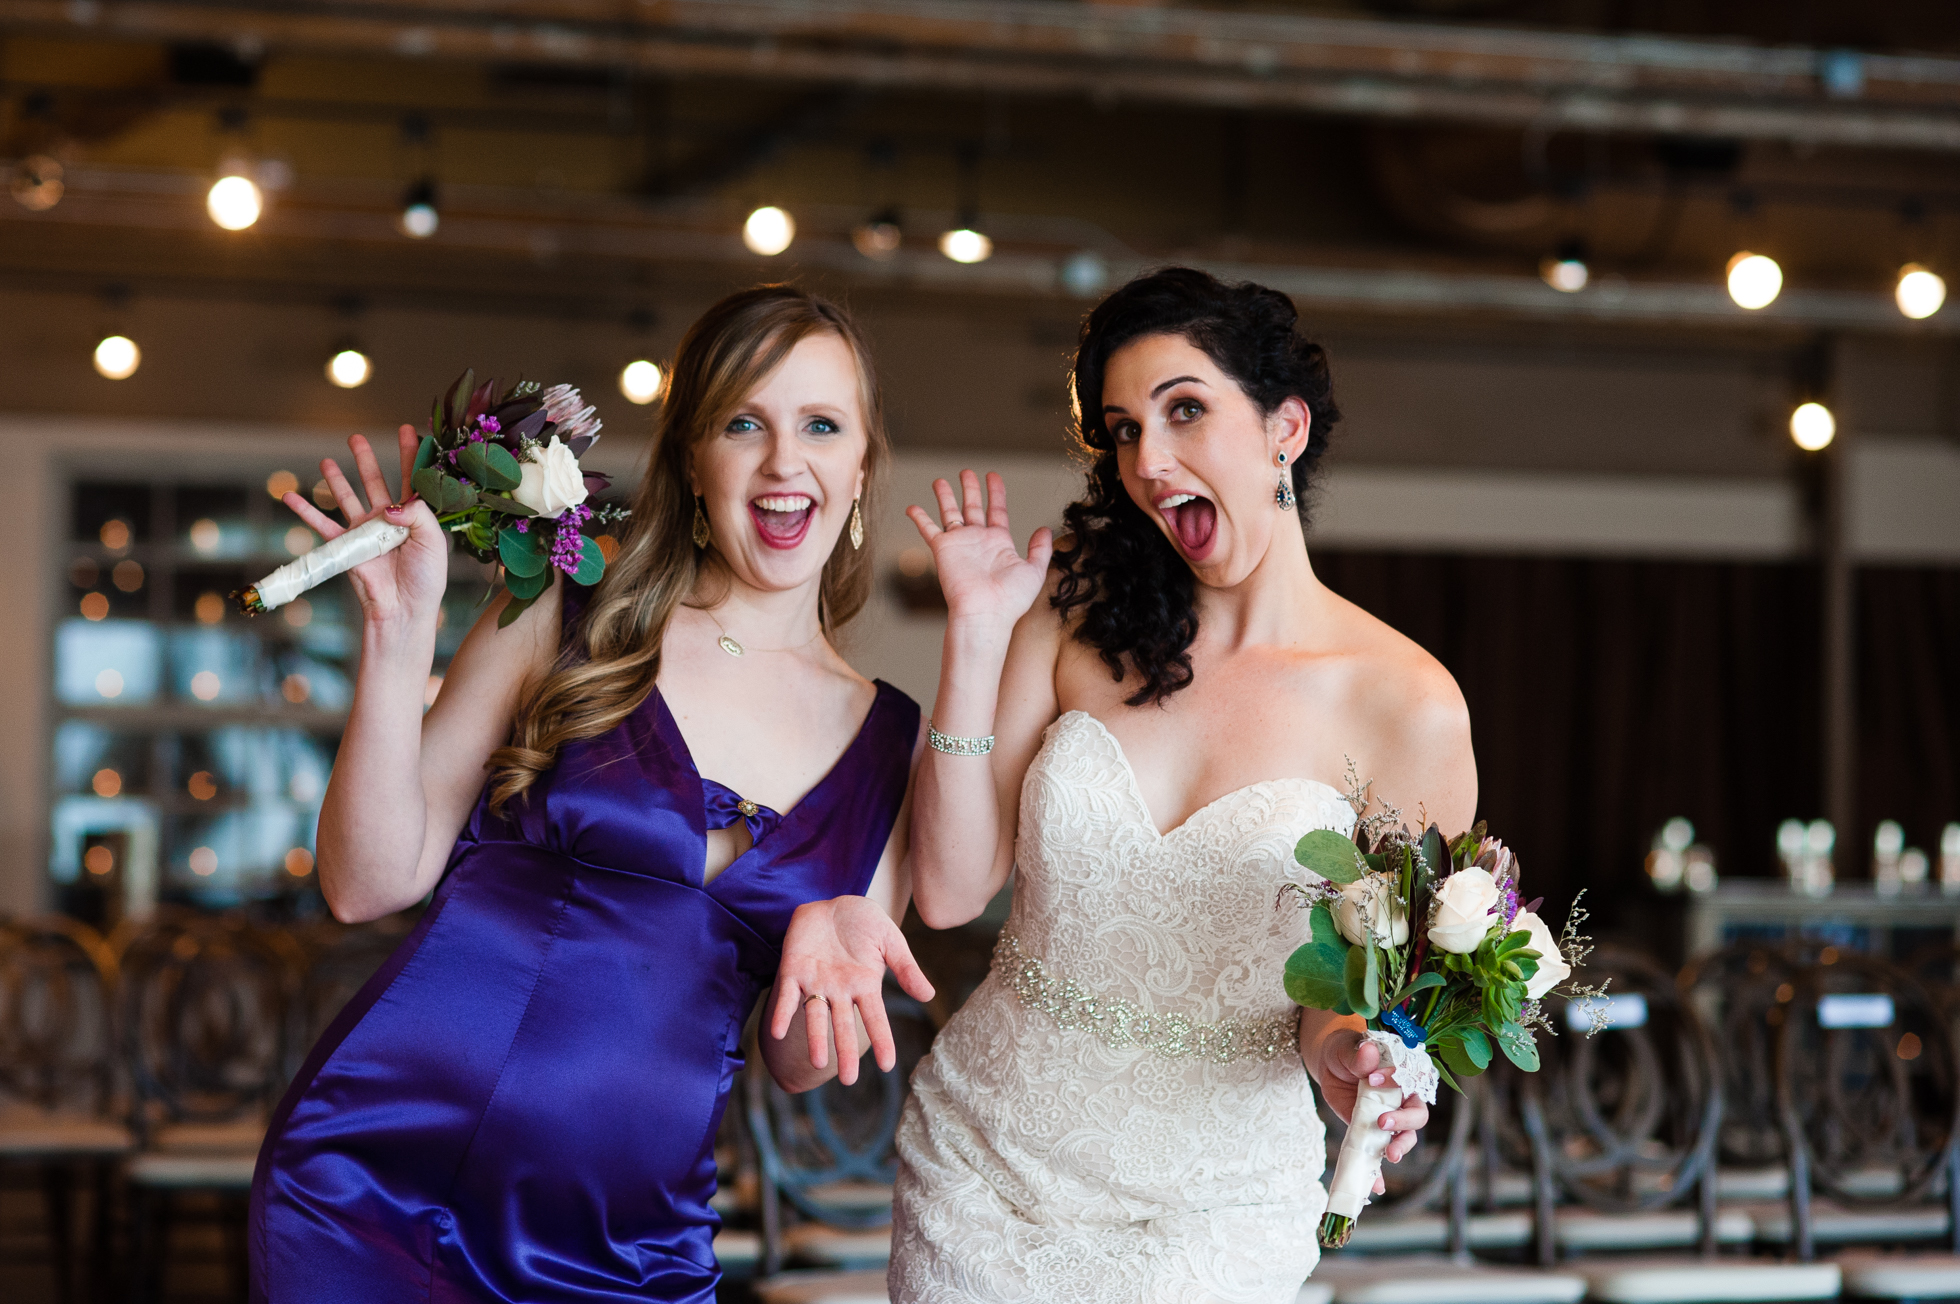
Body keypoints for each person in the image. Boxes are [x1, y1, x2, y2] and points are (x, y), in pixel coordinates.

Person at [250, 285, 932, 1302]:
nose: (785, 460)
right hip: (379, 1184)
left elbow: (798, 1060)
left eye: (821, 425)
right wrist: (396, 645)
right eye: (744, 421)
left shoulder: (889, 740)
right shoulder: (561, 613)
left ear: (861, 465)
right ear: (695, 458)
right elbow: (364, 881)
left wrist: (825, 930)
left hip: (632, 1241)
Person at [887, 267, 1476, 1303]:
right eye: (1120, 430)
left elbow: (1346, 1002)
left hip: (1212, 1211)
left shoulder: (1406, 704)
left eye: (1185, 409)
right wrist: (974, 640)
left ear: (1283, 427)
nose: (1148, 461)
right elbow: (945, 892)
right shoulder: (1071, 622)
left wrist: (1352, 1062)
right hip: (979, 1171)